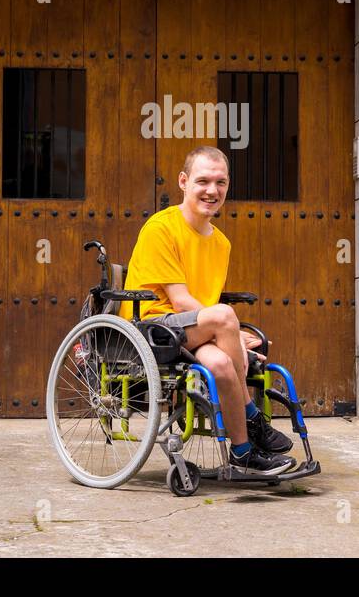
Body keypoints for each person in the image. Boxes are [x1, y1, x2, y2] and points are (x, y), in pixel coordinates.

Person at [121, 144, 294, 475]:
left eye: (221, 183)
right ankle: (252, 418)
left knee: (220, 364)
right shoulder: (162, 228)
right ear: (183, 181)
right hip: (154, 328)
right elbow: (182, 302)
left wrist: (228, 337)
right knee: (226, 317)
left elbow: (202, 306)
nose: (212, 191)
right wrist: (230, 330)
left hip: (194, 331)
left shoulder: (221, 243)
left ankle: (243, 453)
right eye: (203, 181)